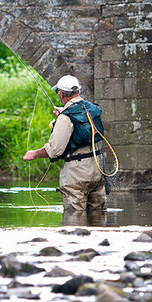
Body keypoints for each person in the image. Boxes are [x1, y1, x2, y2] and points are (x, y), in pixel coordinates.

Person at [23, 75, 106, 214]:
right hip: (98, 169)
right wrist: (63, 116)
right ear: (77, 91)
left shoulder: (65, 117)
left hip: (77, 174)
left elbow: (55, 150)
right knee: (98, 216)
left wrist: (35, 154)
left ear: (61, 93)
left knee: (75, 217)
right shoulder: (91, 108)